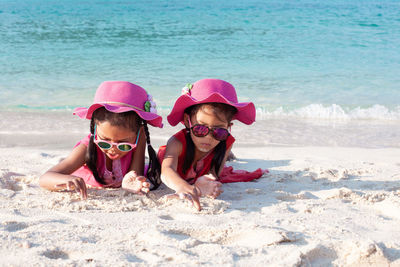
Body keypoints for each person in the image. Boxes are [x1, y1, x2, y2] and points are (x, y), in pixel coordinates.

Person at [39, 81, 163, 199]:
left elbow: (136, 174)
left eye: (123, 145)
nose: (112, 149)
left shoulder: (139, 138)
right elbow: (46, 178)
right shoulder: (87, 147)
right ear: (95, 128)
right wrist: (66, 180)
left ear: (139, 133)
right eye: (104, 141)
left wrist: (131, 181)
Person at [158, 78, 266, 211]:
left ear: (228, 127)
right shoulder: (176, 143)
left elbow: (214, 173)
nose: (208, 137)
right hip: (178, 159)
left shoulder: (226, 142)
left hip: (212, 155)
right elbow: (167, 171)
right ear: (187, 121)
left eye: (219, 131)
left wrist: (205, 184)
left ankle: (229, 155)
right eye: (200, 129)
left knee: (225, 155)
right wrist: (182, 186)